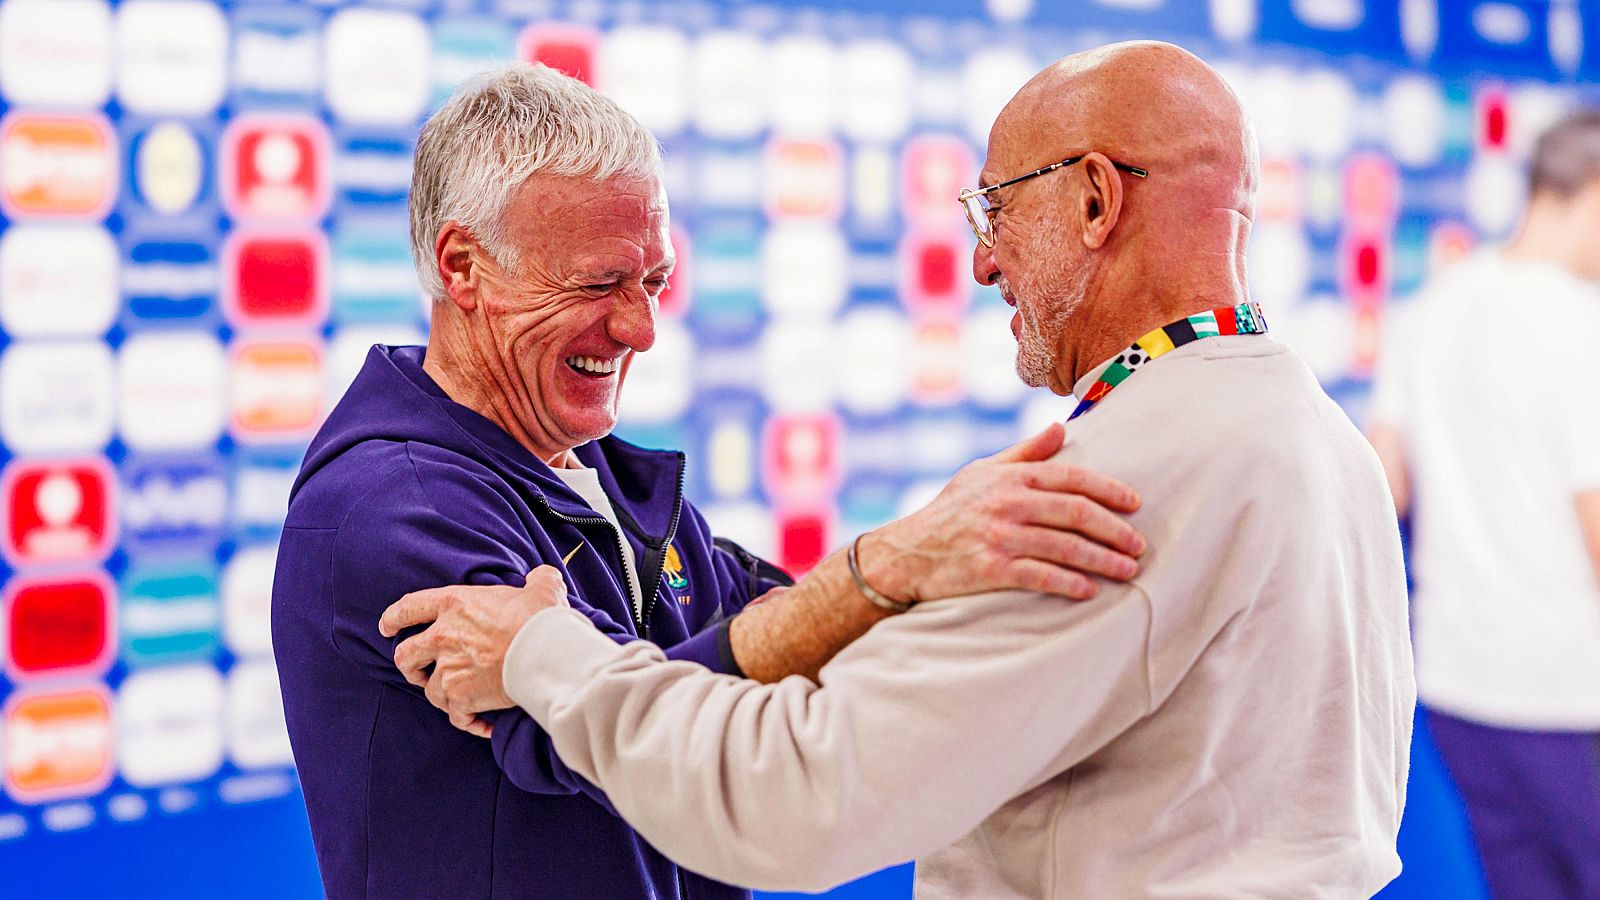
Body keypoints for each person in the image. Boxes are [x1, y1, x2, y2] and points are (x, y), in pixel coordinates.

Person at [384, 42, 1416, 898]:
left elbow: (788, 793)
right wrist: (891, 566)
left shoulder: (1106, 489)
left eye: (997, 210)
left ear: (1096, 200)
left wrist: (539, 652)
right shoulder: (1311, 435)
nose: (981, 261)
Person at [272, 64, 1150, 900]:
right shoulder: (390, 509)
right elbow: (627, 732)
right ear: (462, 267)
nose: (642, 328)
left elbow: (798, 642)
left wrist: (966, 559)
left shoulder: (603, 480)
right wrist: (889, 564)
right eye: (599, 283)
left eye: (655, 279)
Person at [1366, 110, 1600, 899]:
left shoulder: (1430, 306)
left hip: (1462, 685)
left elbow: (1383, 486)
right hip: (1574, 690)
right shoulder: (1584, 324)